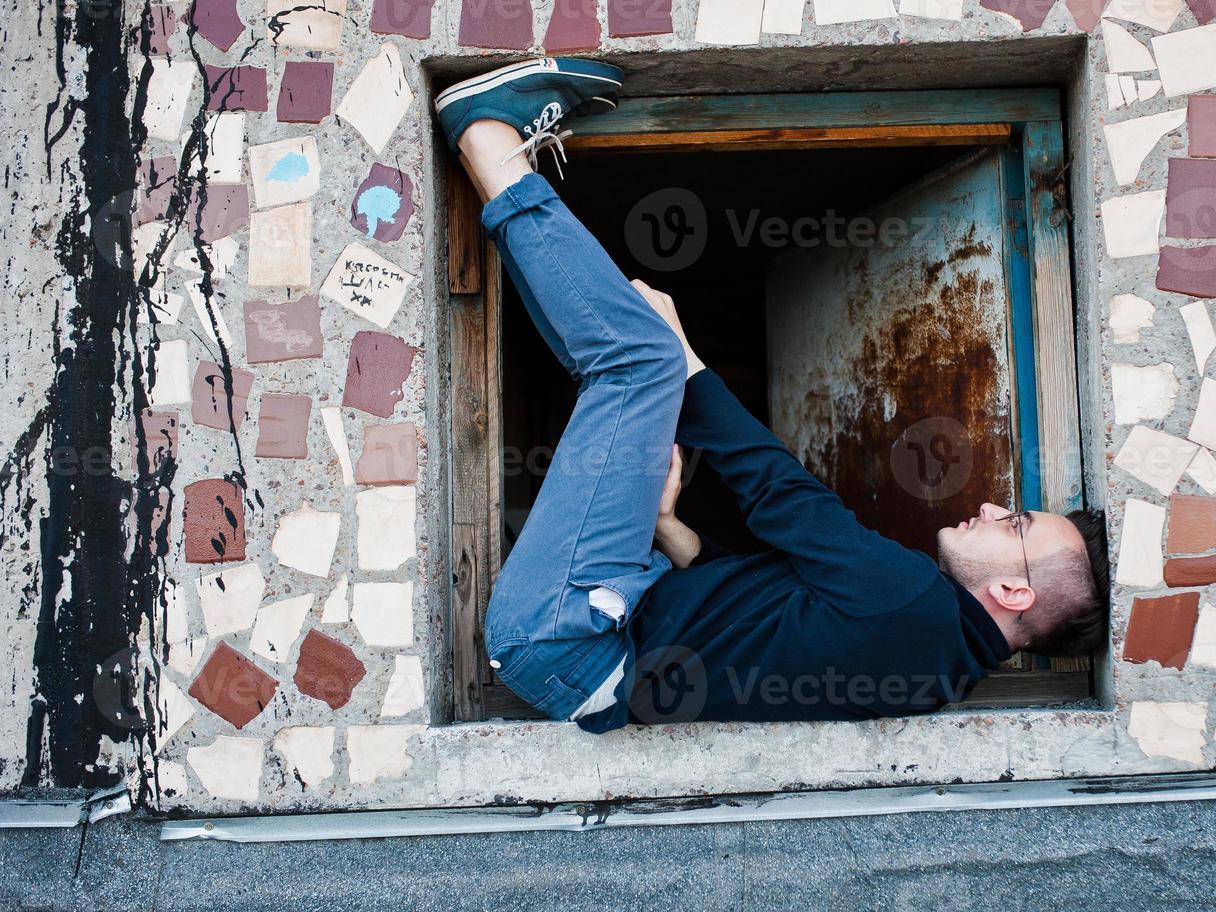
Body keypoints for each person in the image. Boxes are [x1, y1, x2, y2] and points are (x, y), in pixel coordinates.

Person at [435, 58, 1110, 733]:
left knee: (641, 358)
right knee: (621, 370)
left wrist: (689, 363)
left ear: (1013, 591)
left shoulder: (913, 603)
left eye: (1014, 525)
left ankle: (485, 132)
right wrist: (673, 531)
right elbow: (758, 617)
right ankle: (492, 175)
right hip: (583, 660)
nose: (993, 507)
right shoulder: (933, 672)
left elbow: (781, 495)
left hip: (574, 639)